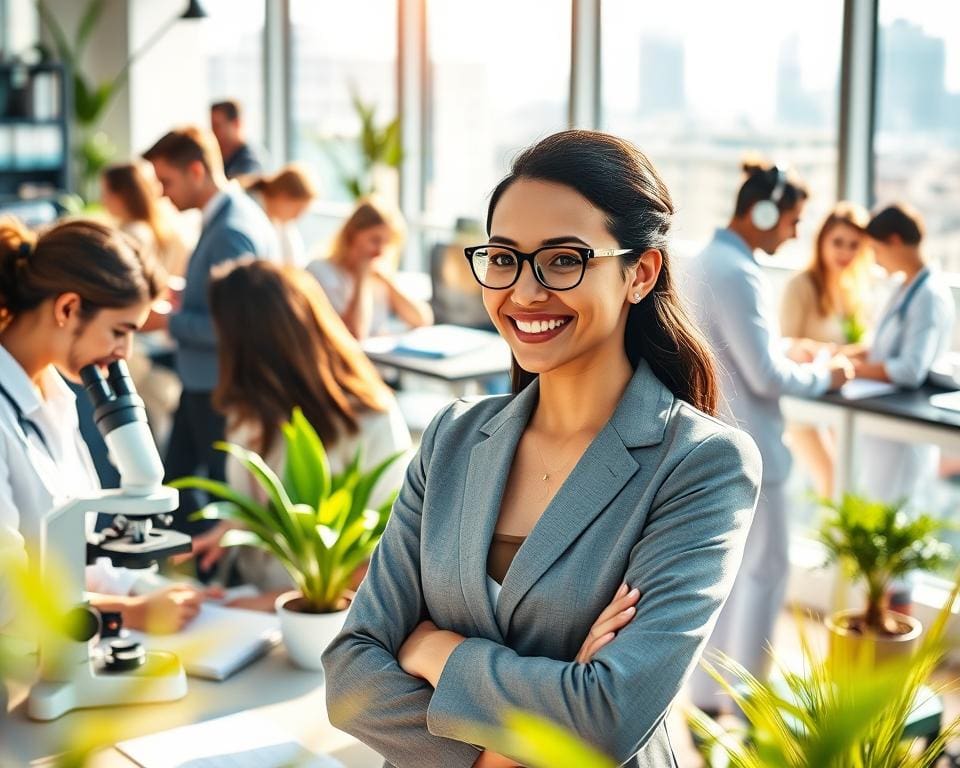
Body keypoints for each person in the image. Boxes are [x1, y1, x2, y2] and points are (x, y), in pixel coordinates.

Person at [322, 130, 762, 767]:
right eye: (503, 258)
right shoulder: (453, 437)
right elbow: (350, 680)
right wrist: (499, 757)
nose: (525, 292)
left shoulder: (700, 464)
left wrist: (432, 651)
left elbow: (606, 719)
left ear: (640, 273)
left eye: (563, 260)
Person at [685, 161, 852, 715]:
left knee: (727, 577)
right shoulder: (739, 272)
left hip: (715, 439)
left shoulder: (705, 262)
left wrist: (786, 353)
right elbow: (765, 377)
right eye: (793, 221)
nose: (794, 234)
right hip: (753, 446)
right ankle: (749, 704)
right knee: (766, 570)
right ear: (762, 212)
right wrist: (825, 374)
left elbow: (742, 358)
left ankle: (711, 695)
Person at [0, 216, 210, 633]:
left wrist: (143, 587)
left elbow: (71, 560)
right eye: (120, 331)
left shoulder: (56, 396)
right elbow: (9, 596)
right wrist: (129, 613)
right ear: (68, 308)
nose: (124, 352)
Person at [183, 260, 412, 607]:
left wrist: (274, 603)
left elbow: (385, 559)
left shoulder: (370, 420)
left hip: (323, 621)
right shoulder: (249, 411)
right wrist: (232, 529)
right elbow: (270, 508)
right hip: (252, 605)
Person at [143, 126, 277, 536]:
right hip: (204, 381)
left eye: (167, 181)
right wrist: (189, 293)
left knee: (216, 496)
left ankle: (217, 583)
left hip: (219, 386)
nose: (163, 194)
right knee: (179, 486)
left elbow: (237, 326)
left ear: (197, 170)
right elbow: (230, 300)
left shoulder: (230, 230)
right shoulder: (228, 217)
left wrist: (165, 320)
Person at [851, 203, 955, 503]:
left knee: (895, 507)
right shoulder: (905, 287)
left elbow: (910, 369)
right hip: (883, 427)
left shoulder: (929, 295)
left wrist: (853, 370)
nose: (875, 259)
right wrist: (844, 354)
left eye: (875, 249)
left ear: (894, 241)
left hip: (904, 430)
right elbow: (884, 347)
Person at [779, 201, 873, 498]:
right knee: (831, 479)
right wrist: (836, 352)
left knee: (848, 481)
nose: (845, 252)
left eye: (854, 245)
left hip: (842, 399)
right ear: (821, 242)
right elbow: (786, 346)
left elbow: (865, 347)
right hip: (806, 401)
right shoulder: (800, 286)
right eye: (838, 243)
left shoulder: (853, 290)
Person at [307, 197, 433, 340]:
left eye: (387, 243)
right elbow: (354, 334)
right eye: (375, 240)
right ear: (351, 235)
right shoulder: (319, 272)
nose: (380, 251)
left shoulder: (378, 274)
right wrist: (361, 279)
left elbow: (422, 320)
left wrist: (387, 281)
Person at [100, 162, 189, 277]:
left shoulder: (132, 234)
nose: (102, 200)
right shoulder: (164, 225)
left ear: (122, 195)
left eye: (106, 192)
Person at [242, 164, 319, 267]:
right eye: (298, 209)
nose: (297, 216)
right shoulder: (246, 209)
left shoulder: (282, 225)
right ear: (283, 196)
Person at [210, 100, 263, 179]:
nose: (212, 132)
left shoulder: (249, 164)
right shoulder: (219, 158)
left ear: (236, 124)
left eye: (217, 126)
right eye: (212, 126)